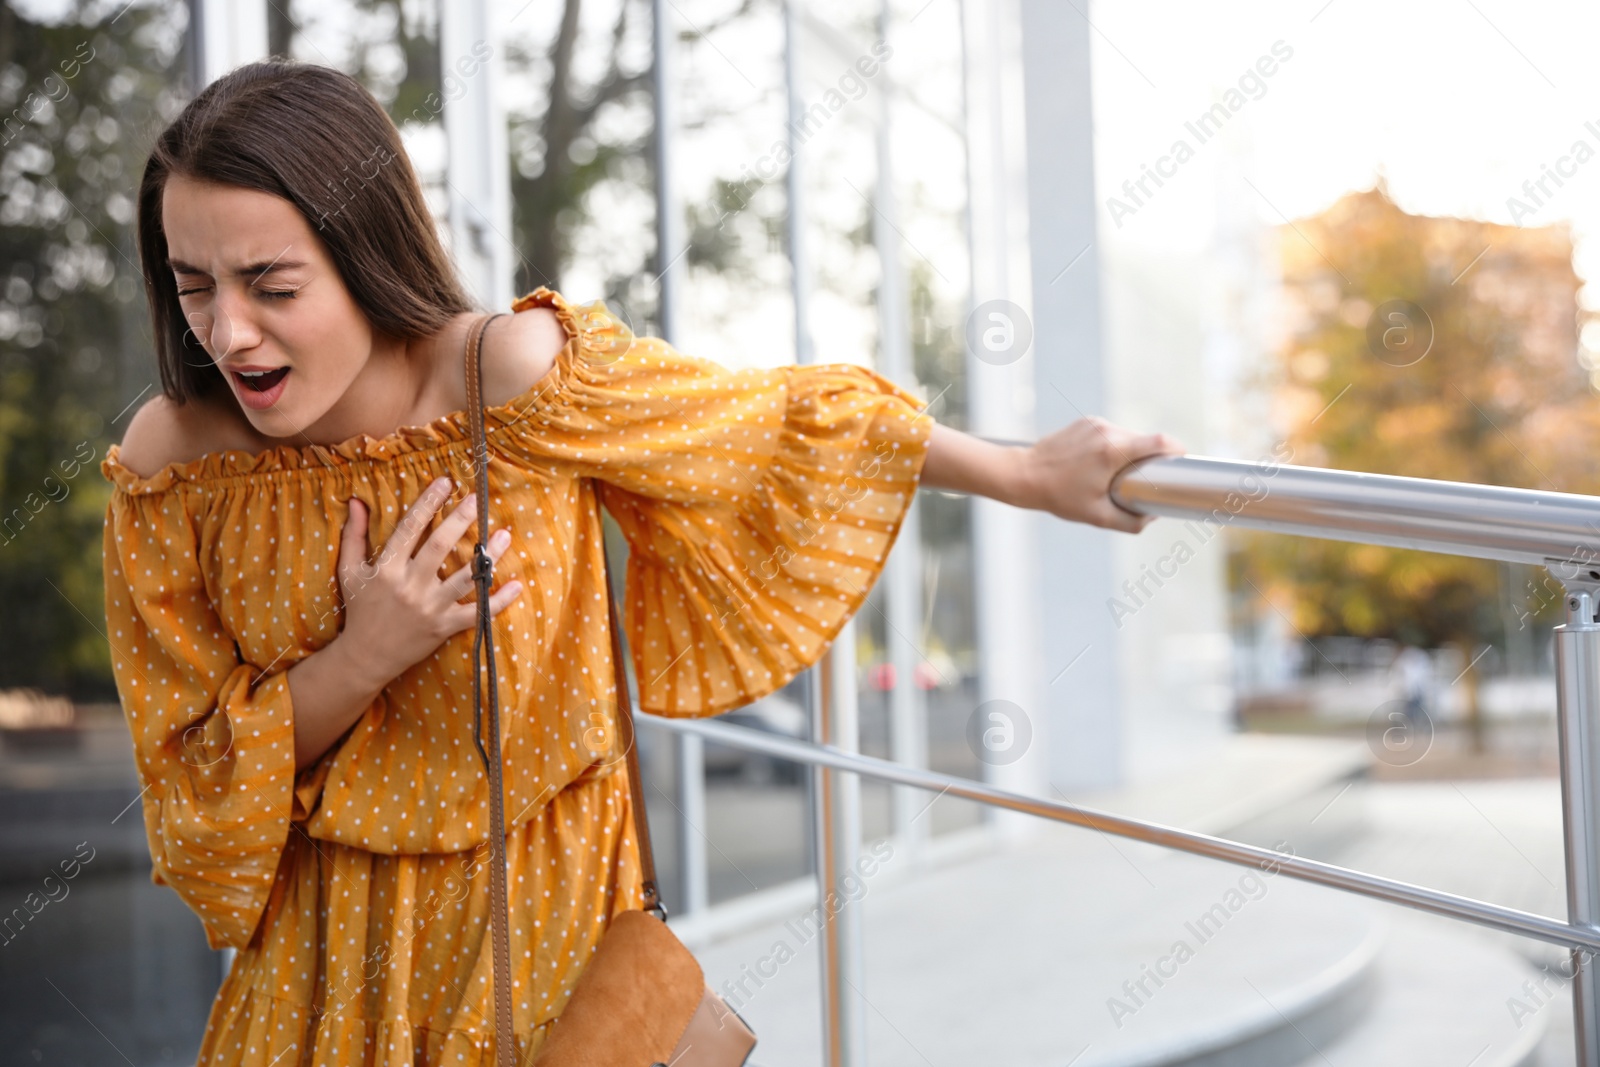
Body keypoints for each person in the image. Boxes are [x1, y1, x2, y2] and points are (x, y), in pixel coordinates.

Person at [99, 58, 1184, 1065]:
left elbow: (773, 425)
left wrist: (1024, 474)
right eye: (194, 285)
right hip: (316, 979)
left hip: (548, 947)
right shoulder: (172, 465)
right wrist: (365, 652)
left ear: (366, 250)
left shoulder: (516, 376)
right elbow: (186, 780)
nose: (227, 334)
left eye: (271, 284)